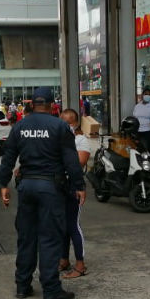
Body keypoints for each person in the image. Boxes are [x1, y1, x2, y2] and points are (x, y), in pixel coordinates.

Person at [0, 87, 86, 299]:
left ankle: (23, 286)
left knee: (26, 237)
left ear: (32, 104)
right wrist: (79, 185)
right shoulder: (59, 126)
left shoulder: (20, 126)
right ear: (51, 104)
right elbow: (71, 160)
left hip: (26, 187)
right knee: (49, 238)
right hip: (50, 188)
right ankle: (51, 290)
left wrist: (2, 184)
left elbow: (8, 157)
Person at [58, 109, 91, 279]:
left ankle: (80, 264)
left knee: (73, 226)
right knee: (62, 226)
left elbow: (79, 163)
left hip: (73, 186)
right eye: (62, 122)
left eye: (68, 123)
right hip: (60, 187)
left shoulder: (80, 140)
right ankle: (64, 259)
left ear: (76, 124)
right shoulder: (61, 140)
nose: (65, 126)